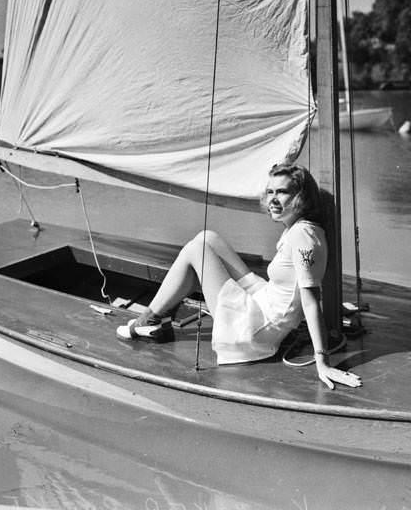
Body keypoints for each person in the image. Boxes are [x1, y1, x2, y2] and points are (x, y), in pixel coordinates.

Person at [116, 163, 361, 389]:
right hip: (264, 299)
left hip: (258, 330)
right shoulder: (299, 228)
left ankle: (149, 319)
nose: (273, 200)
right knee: (207, 238)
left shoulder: (302, 236)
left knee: (196, 250)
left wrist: (323, 361)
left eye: (282, 192)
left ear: (300, 197)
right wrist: (337, 306)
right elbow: (303, 279)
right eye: (270, 192)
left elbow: (308, 298)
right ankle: (159, 317)